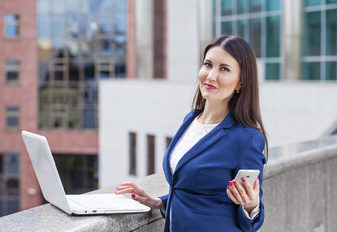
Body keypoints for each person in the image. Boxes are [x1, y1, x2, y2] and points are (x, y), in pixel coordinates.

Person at [115, 35, 268, 232]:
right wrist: (159, 202)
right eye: (208, 64)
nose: (211, 76)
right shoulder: (190, 120)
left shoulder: (247, 139)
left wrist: (250, 205)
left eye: (224, 69)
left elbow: (253, 221)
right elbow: (197, 191)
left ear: (240, 83)